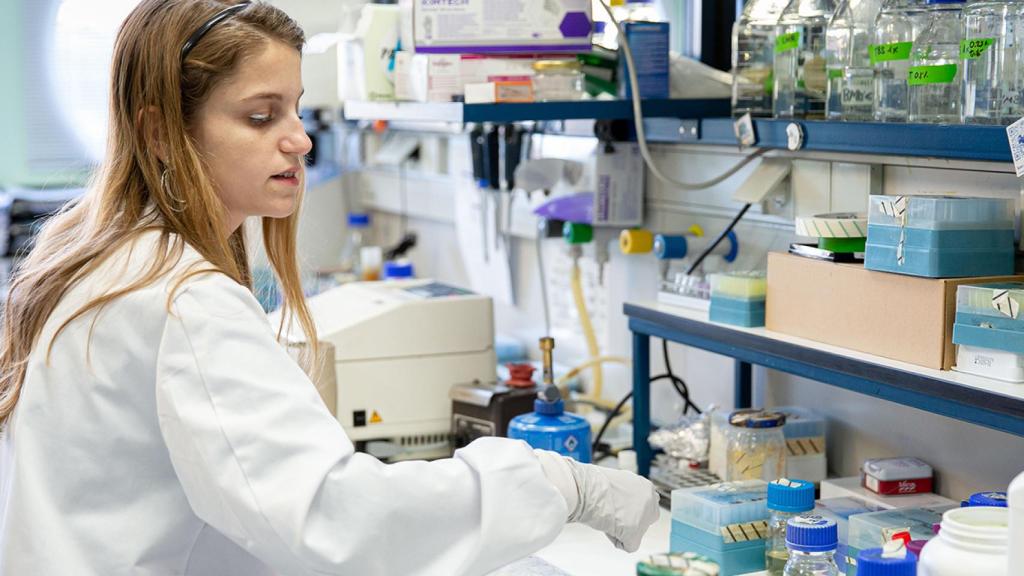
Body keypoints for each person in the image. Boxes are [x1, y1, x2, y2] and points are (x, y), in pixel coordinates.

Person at [0, 1, 660, 574]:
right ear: (160, 134)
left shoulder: (93, 258)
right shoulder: (182, 298)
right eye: (261, 117)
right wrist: (559, 483)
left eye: (296, 109)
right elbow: (334, 520)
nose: (300, 139)